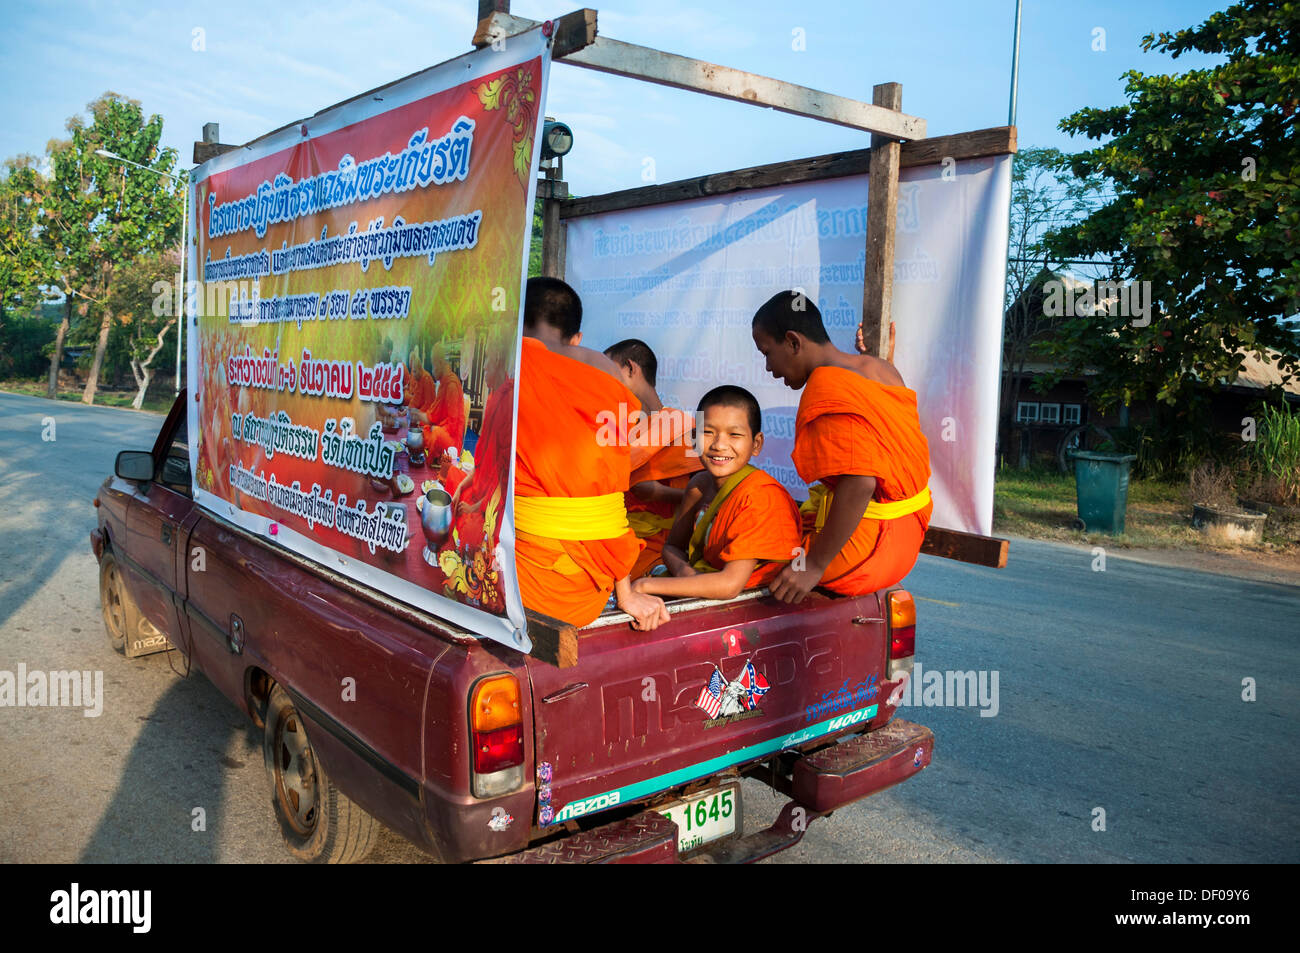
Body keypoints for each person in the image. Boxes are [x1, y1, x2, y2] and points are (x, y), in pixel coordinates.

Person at [751, 290, 932, 603]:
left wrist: (814, 565)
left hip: (868, 551)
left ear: (793, 342)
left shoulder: (825, 387)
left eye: (767, 352)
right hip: (909, 537)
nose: (768, 367)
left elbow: (861, 482)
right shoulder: (881, 369)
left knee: (748, 559)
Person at [513, 277, 670, 631]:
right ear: (576, 337)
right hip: (586, 588)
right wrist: (626, 595)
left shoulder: (510, 365)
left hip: (517, 581)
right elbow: (611, 492)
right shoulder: (604, 372)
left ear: (517, 322)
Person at [632, 386, 801, 602]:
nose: (719, 445)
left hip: (750, 604)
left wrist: (644, 585)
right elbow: (673, 547)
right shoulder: (699, 486)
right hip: (701, 586)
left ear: (756, 444)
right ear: (694, 440)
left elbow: (729, 585)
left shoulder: (760, 497)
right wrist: (687, 575)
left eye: (734, 434)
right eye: (708, 432)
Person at [603, 338, 704, 578]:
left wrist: (660, 493)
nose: (602, 382)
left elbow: (709, 494)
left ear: (631, 368)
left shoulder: (684, 428)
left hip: (667, 549)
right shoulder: (612, 431)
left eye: (608, 372)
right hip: (616, 545)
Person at [412, 344, 466, 460]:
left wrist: (435, 427)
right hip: (442, 430)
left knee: (435, 433)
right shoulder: (443, 384)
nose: (432, 370)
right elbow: (434, 414)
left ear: (441, 363)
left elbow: (453, 425)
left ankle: (432, 458)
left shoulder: (451, 385)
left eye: (433, 364)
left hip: (452, 440)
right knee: (425, 429)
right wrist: (418, 415)